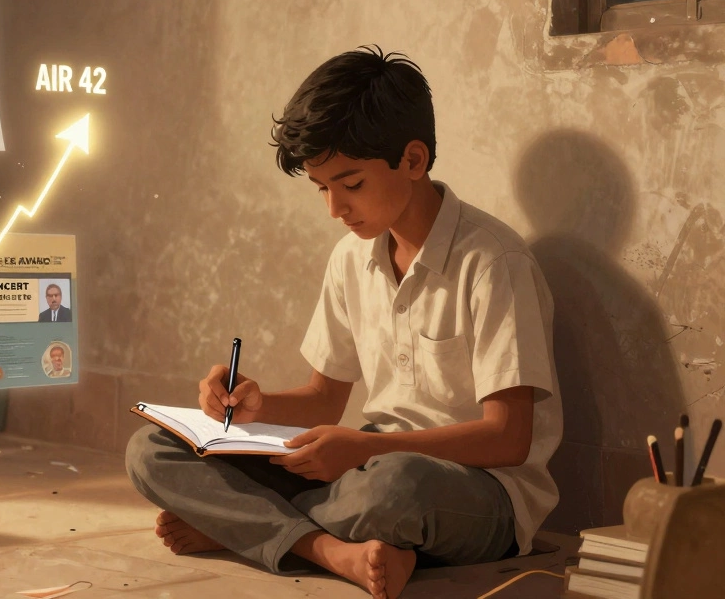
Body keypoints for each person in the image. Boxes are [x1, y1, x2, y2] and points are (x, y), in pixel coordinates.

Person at [125, 46, 562, 599]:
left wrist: (363, 451)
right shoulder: (351, 258)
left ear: (412, 160)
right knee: (151, 449)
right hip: (362, 465)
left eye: (350, 185)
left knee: (397, 488)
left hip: (470, 491)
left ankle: (243, 527)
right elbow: (322, 399)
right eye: (322, 189)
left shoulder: (494, 262)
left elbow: (509, 439)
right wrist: (253, 403)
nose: (335, 208)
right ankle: (334, 551)